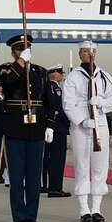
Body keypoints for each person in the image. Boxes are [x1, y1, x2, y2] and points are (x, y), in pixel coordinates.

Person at [0, 34, 55, 222]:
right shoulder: (7, 68)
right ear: (13, 52)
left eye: (26, 49)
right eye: (19, 50)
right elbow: (7, 82)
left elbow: (49, 101)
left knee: (33, 175)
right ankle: (19, 216)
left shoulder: (40, 71)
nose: (24, 52)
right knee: (16, 176)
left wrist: (50, 125)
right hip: (15, 127)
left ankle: (31, 215)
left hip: (36, 127)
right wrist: (21, 62)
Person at [64, 41, 112, 222]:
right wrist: (82, 120)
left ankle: (96, 208)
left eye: (92, 51)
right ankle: (83, 209)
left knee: (100, 168)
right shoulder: (74, 77)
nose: (89, 54)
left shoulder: (103, 75)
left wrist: (101, 102)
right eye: (85, 51)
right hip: (82, 127)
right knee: (82, 167)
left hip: (100, 126)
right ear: (80, 54)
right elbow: (68, 104)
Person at [43, 65, 71, 197]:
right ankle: (55, 188)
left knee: (49, 158)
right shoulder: (54, 88)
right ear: (54, 74)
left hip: (52, 127)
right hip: (57, 128)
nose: (62, 75)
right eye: (60, 73)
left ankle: (47, 185)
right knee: (57, 160)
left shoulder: (51, 87)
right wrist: (69, 122)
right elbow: (59, 108)